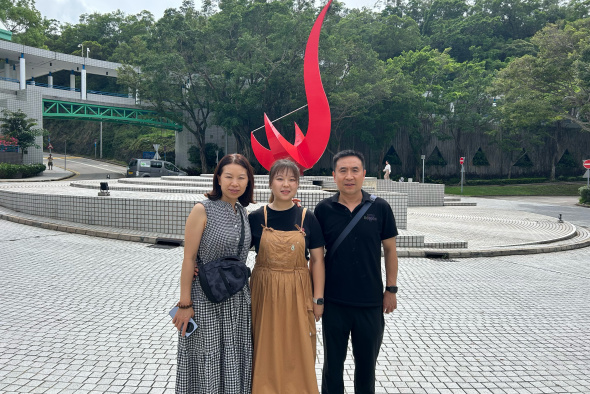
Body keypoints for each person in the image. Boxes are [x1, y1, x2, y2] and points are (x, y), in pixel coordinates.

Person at [314, 150, 399, 394]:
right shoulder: (323, 210)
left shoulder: (380, 208)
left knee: (366, 368)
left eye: (354, 170)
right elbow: (315, 258)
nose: (348, 176)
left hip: (370, 303)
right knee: (332, 368)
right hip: (334, 303)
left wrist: (391, 289)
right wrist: (316, 298)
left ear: (363, 174)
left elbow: (391, 251)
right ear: (334, 175)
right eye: (343, 171)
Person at [173, 153, 255, 393]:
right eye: (228, 176)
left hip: (237, 301)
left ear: (248, 182)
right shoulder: (203, 209)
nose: (234, 183)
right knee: (206, 358)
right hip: (205, 299)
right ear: (218, 178)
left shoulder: (242, 212)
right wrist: (185, 303)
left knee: (234, 356)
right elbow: (189, 258)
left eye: (241, 178)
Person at [248, 159, 326, 394]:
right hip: (264, 292)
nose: (286, 184)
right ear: (270, 182)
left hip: (298, 291)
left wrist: (318, 299)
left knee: (298, 348)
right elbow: (235, 255)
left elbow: (318, 260)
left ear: (298, 184)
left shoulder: (307, 217)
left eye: (292, 179)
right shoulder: (255, 217)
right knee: (264, 346)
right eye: (280, 178)